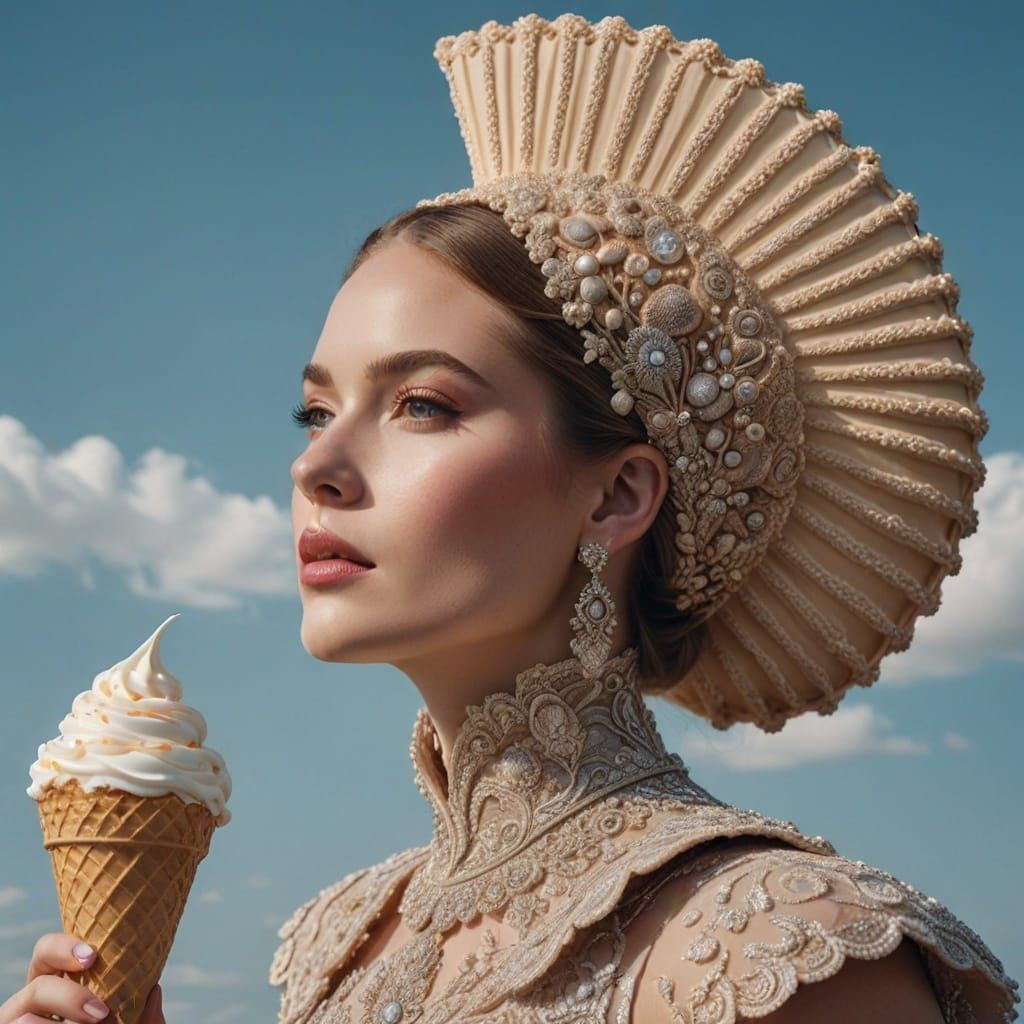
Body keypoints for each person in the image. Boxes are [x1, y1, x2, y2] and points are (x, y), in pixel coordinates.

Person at [3, 12, 1018, 1024]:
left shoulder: (786, 954)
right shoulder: (335, 944)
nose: (316, 463)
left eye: (423, 406)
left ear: (618, 495)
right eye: (316, 409)